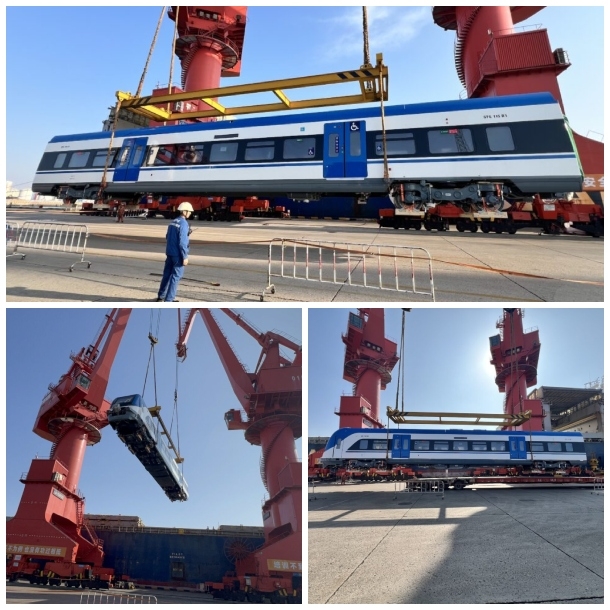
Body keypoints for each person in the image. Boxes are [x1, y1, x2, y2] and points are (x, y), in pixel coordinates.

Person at [156, 202, 193, 302]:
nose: (190, 213)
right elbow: (182, 242)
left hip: (169, 253)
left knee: (167, 274)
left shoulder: (172, 222)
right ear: (184, 212)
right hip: (178, 255)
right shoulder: (184, 224)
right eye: (189, 211)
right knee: (176, 277)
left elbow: (167, 236)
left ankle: (161, 296)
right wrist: (185, 256)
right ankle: (169, 300)